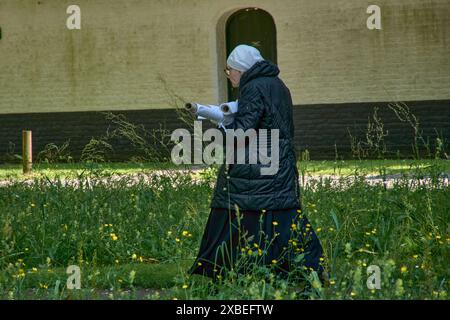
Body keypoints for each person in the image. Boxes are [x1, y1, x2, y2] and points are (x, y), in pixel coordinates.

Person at [188, 44, 324, 284]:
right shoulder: (278, 85)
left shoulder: (252, 88)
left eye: (229, 69)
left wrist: (223, 124)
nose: (228, 74)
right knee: (281, 215)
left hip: (253, 165)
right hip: (278, 161)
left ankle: (223, 269)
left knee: (231, 212)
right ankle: (306, 267)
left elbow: (242, 133)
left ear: (240, 69)